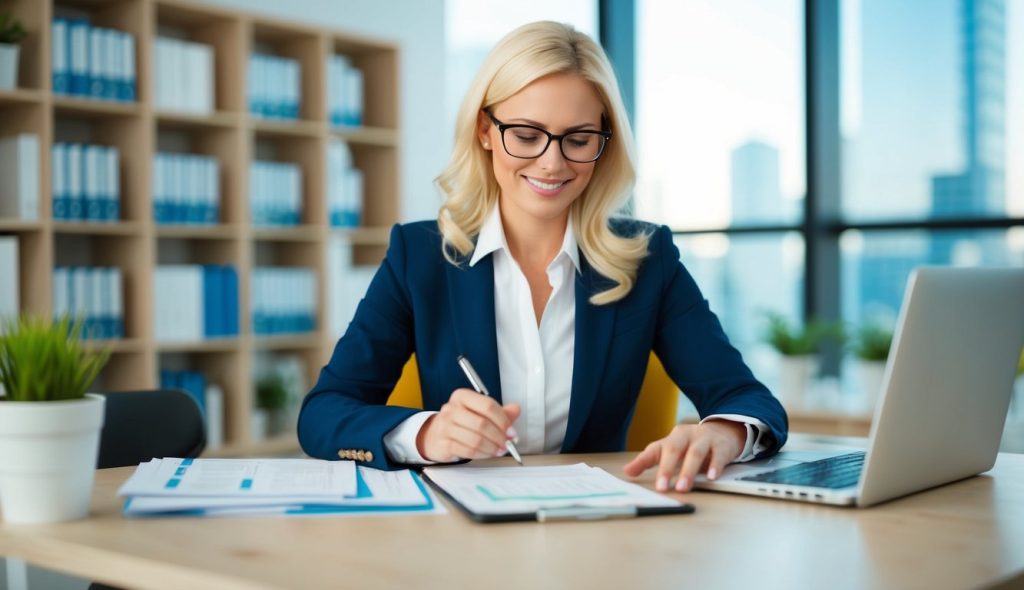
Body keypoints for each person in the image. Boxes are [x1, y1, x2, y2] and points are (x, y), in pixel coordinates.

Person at [299, 21, 788, 493]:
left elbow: (748, 399)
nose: (552, 163)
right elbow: (324, 413)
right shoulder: (420, 258)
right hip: (460, 535)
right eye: (527, 135)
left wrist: (725, 433)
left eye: (578, 140)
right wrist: (427, 434)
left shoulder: (648, 258)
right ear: (485, 131)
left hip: (597, 531)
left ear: (604, 142)